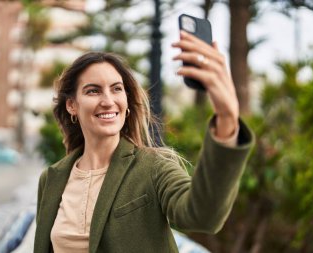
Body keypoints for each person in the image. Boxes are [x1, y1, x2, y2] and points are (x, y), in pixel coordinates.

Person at [34, 31, 254, 253]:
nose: (108, 101)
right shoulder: (52, 178)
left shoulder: (153, 167)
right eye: (93, 91)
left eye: (116, 89)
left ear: (127, 101)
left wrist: (226, 119)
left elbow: (202, 216)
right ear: (72, 105)